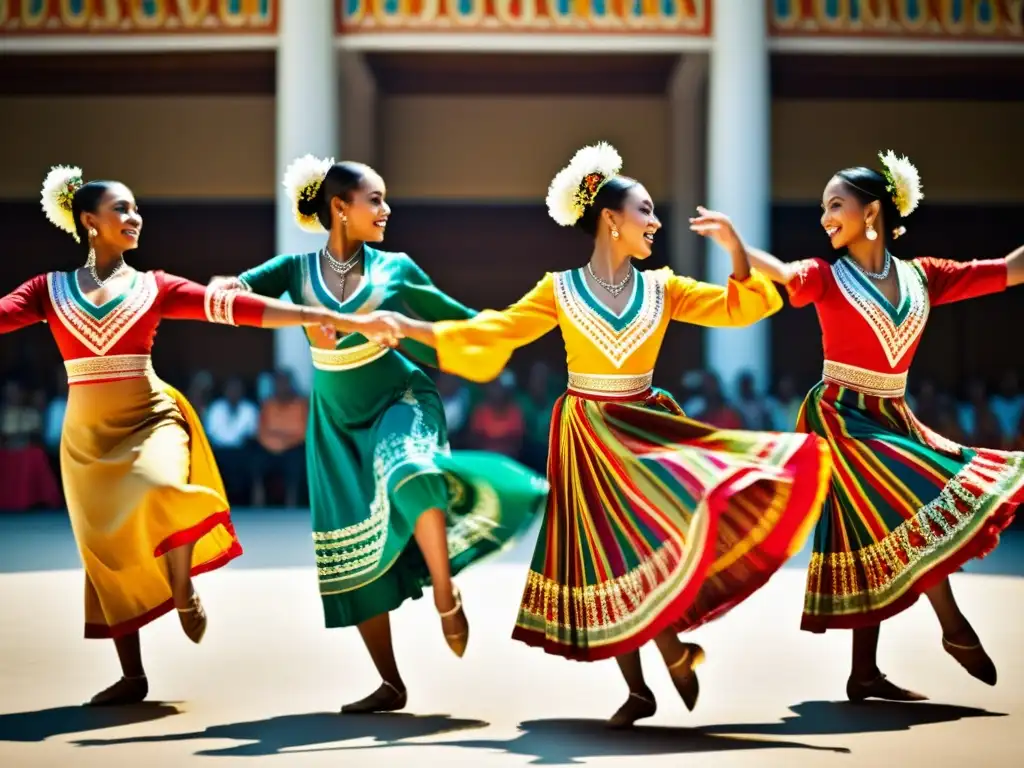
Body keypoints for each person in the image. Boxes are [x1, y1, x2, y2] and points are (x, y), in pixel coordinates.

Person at [384, 142, 832, 727]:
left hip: (644, 425)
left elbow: (737, 310)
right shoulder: (560, 289)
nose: (654, 221)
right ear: (611, 220)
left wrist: (735, 253)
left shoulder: (665, 287)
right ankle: (643, 683)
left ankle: (671, 651)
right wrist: (415, 328)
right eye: (644, 211)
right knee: (606, 556)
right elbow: (497, 330)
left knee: (653, 539)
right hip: (586, 434)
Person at [0, 165, 401, 707]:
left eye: (136, 208)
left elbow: (236, 308)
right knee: (106, 555)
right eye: (122, 209)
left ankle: (182, 586)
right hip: (85, 440)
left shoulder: (155, 286)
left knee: (164, 488)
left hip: (151, 417)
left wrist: (320, 313)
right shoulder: (47, 290)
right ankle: (132, 675)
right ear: (89, 222)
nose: (135, 217)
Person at [210, 155, 548, 714]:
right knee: (352, 553)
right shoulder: (293, 271)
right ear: (339, 208)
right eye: (375, 200)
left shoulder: (398, 268)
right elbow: (231, 296)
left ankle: (445, 591)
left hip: (402, 399)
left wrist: (505, 328)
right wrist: (255, 296)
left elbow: (460, 319)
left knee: (410, 470)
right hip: (336, 424)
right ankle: (390, 683)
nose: (386, 209)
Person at [691, 150, 1024, 701]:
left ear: (873, 213)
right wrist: (735, 246)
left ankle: (863, 673)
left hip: (893, 416)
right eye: (824, 207)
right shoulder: (825, 277)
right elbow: (778, 271)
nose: (825, 217)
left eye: (836, 205)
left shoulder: (926, 276)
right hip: (839, 418)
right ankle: (953, 625)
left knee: (872, 532)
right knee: (908, 504)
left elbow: (1008, 271)